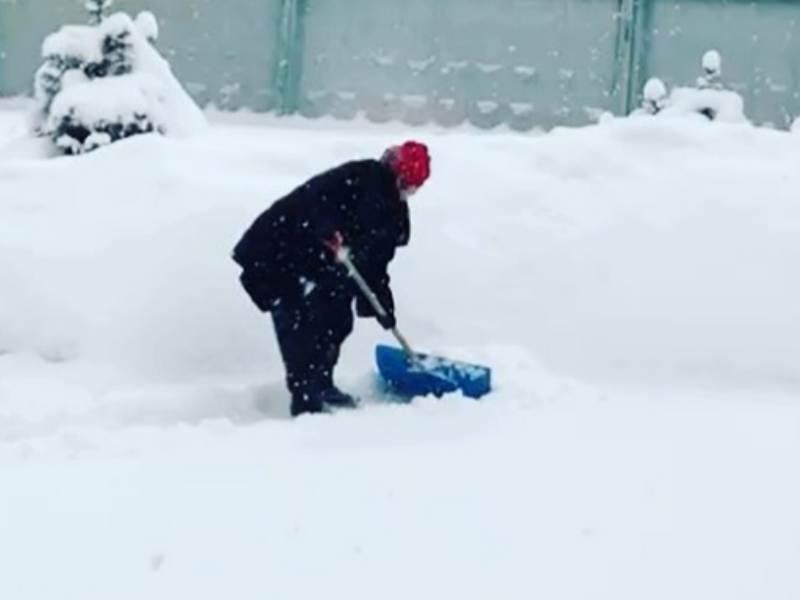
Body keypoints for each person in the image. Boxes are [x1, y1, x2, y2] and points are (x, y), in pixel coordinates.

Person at [231, 140, 431, 417]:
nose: (409, 191)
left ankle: (322, 384)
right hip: (277, 251)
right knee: (296, 323)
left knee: (335, 318)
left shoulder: (392, 210)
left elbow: (374, 264)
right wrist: (327, 228)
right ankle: (305, 402)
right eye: (406, 182)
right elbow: (316, 200)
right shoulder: (359, 177)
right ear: (395, 171)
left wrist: (382, 308)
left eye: (414, 187)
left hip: (321, 263)